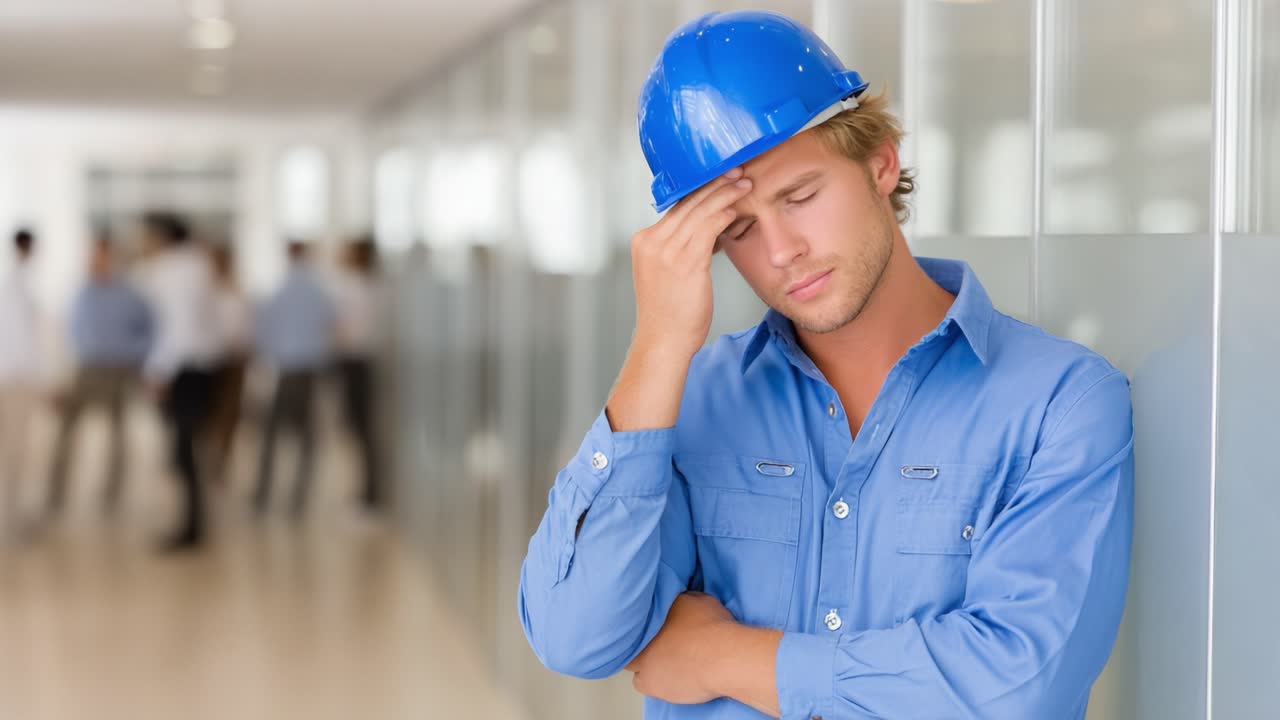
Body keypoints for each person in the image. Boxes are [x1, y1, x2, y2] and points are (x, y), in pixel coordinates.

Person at [518, 11, 1134, 720]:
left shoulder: (1060, 402)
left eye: (801, 197)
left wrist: (727, 656)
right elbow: (574, 638)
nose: (781, 251)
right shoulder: (689, 402)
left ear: (880, 164)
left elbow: (1016, 687)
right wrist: (658, 344)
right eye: (739, 229)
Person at [47, 235, 154, 515]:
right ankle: (55, 494)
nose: (96, 261)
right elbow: (66, 335)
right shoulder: (81, 292)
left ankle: (111, 496)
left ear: (112, 258)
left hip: (118, 370)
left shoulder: (130, 294)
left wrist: (135, 358)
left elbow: (150, 330)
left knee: (118, 434)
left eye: (102, 256)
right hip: (85, 369)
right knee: (65, 431)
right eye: (94, 256)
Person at [138, 212, 220, 551]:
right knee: (187, 450)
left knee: (182, 451)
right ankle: (193, 522)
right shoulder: (199, 265)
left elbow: (177, 329)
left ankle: (190, 528)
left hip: (181, 369)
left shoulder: (169, 270)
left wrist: (159, 372)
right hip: (201, 367)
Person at [253, 240, 335, 517]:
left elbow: (265, 328)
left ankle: (263, 494)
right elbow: (331, 323)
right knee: (304, 435)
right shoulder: (317, 290)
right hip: (309, 367)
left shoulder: (282, 290)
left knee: (274, 433)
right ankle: (296, 499)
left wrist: (266, 358)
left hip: (289, 368)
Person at [331, 236, 383, 510]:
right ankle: (368, 490)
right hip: (357, 362)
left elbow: (344, 329)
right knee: (360, 429)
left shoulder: (356, 287)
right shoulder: (369, 286)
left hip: (357, 363)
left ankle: (371, 493)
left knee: (362, 429)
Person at [0, 228, 46, 533]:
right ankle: (8, 520)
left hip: (12, 374)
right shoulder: (16, 282)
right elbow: (21, 339)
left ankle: (11, 516)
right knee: (13, 450)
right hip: (14, 377)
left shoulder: (16, 280)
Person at [204, 243, 251, 486]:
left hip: (232, 362)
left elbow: (244, 331)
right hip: (210, 360)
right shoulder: (205, 293)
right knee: (209, 415)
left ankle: (220, 462)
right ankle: (208, 461)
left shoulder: (236, 293)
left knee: (228, 415)